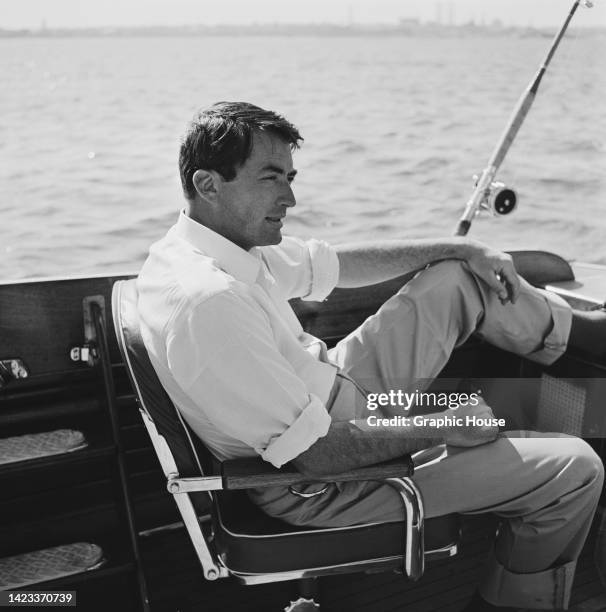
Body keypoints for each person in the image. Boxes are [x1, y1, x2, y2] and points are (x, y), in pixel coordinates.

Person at [137, 101, 606, 611]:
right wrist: (440, 426)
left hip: (337, 391)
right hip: (318, 483)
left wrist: (460, 247)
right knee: (576, 469)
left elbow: (337, 264)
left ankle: (585, 334)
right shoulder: (210, 301)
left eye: (290, 177)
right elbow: (314, 455)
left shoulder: (217, 245)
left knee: (455, 278)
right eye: (271, 178)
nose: (290, 197)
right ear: (208, 184)